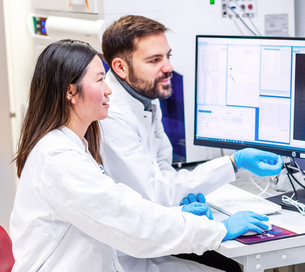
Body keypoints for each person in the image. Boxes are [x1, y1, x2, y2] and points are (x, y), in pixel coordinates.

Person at [9, 39, 271, 272]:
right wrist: (220, 230)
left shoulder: (73, 145)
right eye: (100, 80)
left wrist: (180, 213)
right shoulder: (59, 158)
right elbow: (129, 219)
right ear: (70, 93)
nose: (108, 89)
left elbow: (120, 208)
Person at [100, 15, 284, 271]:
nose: (168, 67)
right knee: (230, 265)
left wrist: (180, 206)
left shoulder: (145, 97)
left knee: (228, 261)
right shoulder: (111, 116)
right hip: (126, 255)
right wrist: (233, 163)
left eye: (168, 56)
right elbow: (154, 193)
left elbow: (162, 171)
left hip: (150, 235)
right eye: (154, 60)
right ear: (120, 67)